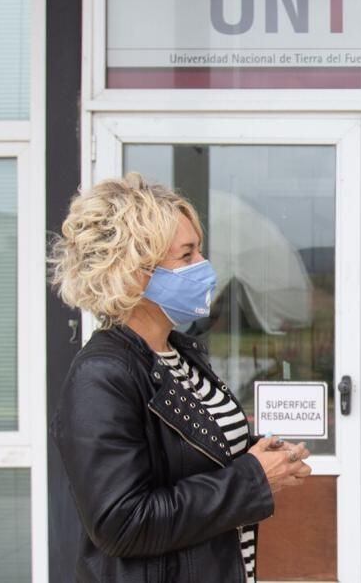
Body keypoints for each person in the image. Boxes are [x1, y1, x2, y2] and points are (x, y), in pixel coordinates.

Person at [49, 173, 311, 583]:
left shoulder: (180, 353)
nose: (204, 269)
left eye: (199, 253)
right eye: (187, 256)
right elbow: (122, 523)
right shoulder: (101, 375)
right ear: (135, 270)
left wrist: (263, 456)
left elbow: (187, 460)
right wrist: (252, 478)